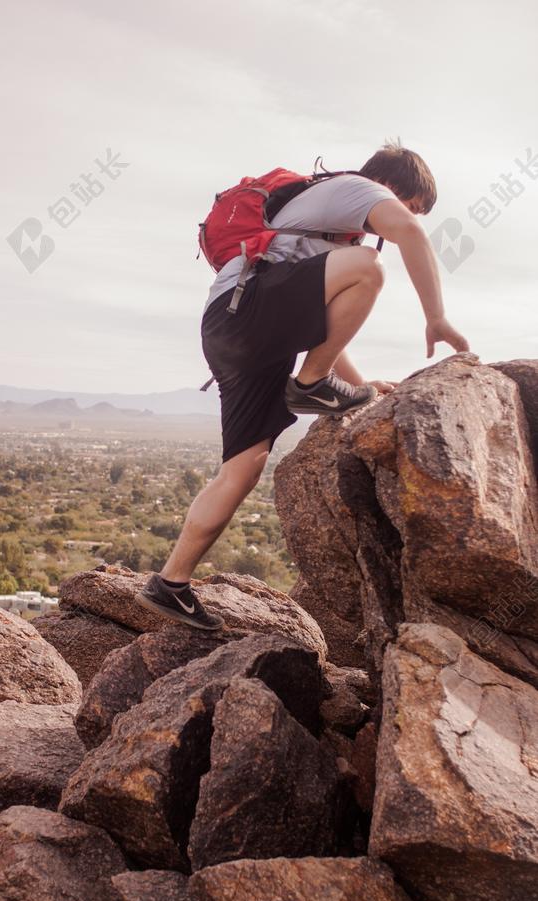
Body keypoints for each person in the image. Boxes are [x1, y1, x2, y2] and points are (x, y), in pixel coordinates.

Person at [136, 140, 470, 629]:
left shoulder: (331, 234)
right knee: (370, 270)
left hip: (234, 333)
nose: (403, 215)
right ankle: (312, 383)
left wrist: (362, 386)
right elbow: (409, 234)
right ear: (395, 188)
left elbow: (328, 321)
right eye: (410, 204)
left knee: (243, 469)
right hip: (250, 314)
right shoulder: (358, 189)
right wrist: (436, 317)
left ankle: (170, 584)